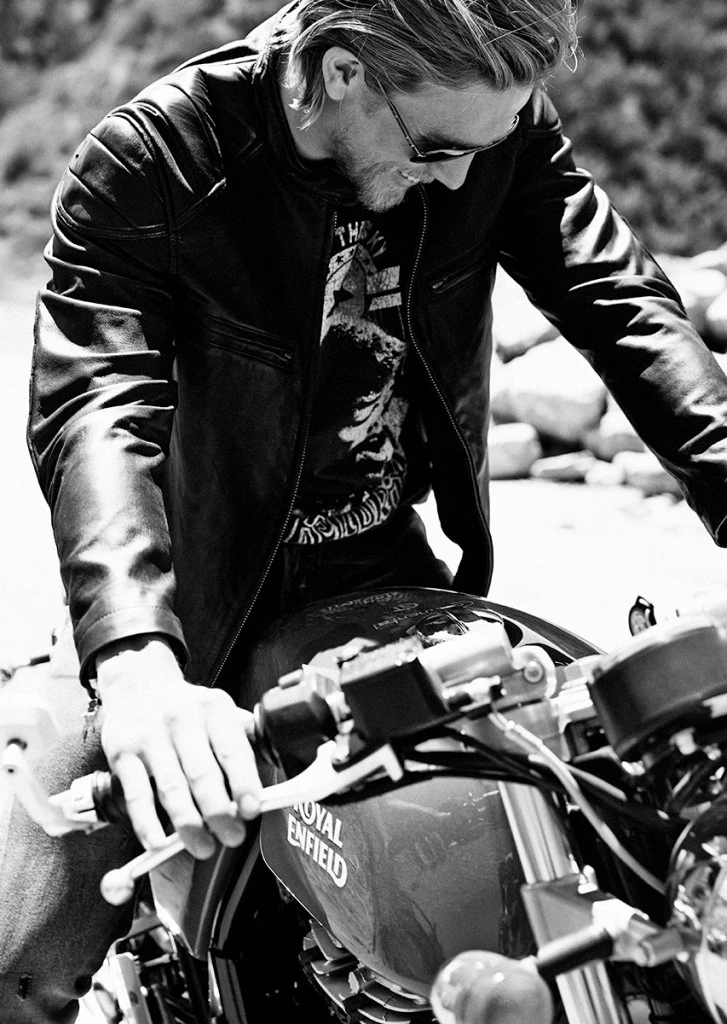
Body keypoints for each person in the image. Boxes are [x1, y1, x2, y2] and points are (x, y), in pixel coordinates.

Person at [3, 0, 727, 1020]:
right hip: (186, 610)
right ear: (342, 71)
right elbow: (95, 408)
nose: (462, 180)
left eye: (484, 148)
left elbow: (621, 303)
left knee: (628, 825)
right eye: (435, 149)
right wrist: (133, 663)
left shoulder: (489, 127)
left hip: (394, 581)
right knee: (23, 959)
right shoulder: (154, 161)